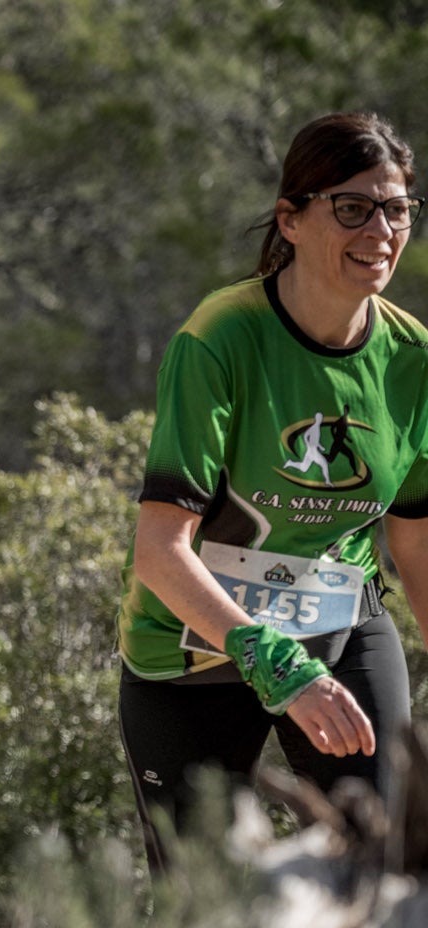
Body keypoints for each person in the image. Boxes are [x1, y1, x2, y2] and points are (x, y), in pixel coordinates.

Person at [117, 111, 428, 871]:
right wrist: (279, 666)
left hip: (339, 622)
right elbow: (161, 552)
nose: (380, 231)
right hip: (193, 648)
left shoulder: (412, 359)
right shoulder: (219, 338)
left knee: (390, 861)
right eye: (353, 208)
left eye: (398, 210)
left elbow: (415, 537)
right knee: (202, 905)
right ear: (291, 219)